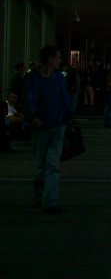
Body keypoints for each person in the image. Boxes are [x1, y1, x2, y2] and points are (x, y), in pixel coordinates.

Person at [25, 45, 74, 213]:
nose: (60, 60)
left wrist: (68, 116)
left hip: (57, 124)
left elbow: (65, 97)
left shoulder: (59, 77)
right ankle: (41, 196)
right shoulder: (33, 78)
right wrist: (33, 117)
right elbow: (28, 99)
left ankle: (50, 201)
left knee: (53, 164)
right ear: (49, 58)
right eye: (58, 57)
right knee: (40, 164)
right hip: (41, 126)